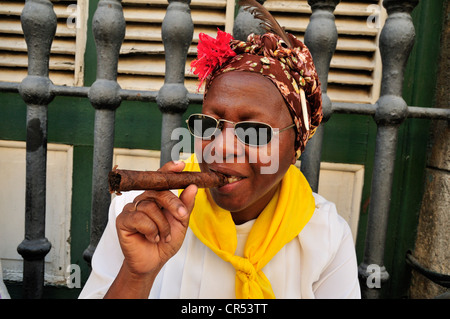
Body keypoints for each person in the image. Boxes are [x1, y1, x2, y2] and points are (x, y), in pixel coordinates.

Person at [79, 28, 361, 299]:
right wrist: (136, 276)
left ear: (295, 149)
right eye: (209, 124)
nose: (221, 147)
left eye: (254, 132)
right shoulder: (142, 213)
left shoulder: (326, 236)